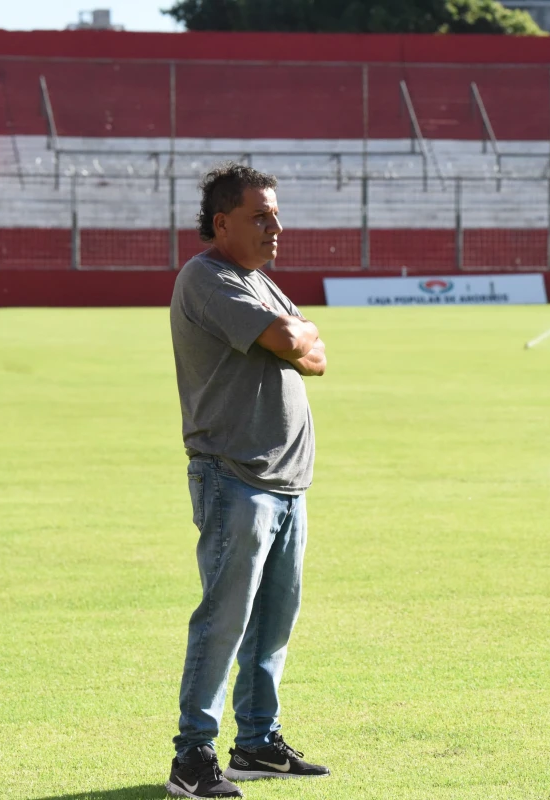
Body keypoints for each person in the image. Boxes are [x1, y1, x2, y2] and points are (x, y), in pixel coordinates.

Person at [165, 163, 329, 800]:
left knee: (273, 622)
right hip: (235, 475)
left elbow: (316, 356)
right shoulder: (205, 278)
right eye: (260, 216)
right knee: (224, 621)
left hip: (286, 479)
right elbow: (295, 337)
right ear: (221, 222)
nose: (275, 226)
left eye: (276, 214)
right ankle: (192, 756)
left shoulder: (259, 283)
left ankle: (256, 743)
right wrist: (296, 336)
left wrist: (297, 338)